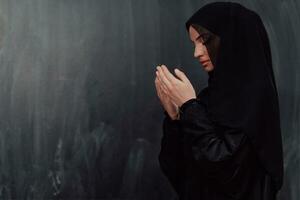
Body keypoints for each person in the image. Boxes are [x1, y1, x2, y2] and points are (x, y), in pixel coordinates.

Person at [154, 2, 284, 200]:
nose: (196, 53)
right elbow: (178, 172)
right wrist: (175, 119)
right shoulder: (208, 98)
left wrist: (190, 107)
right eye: (194, 43)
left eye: (204, 40)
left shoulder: (254, 99)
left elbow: (228, 174)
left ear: (232, 39)